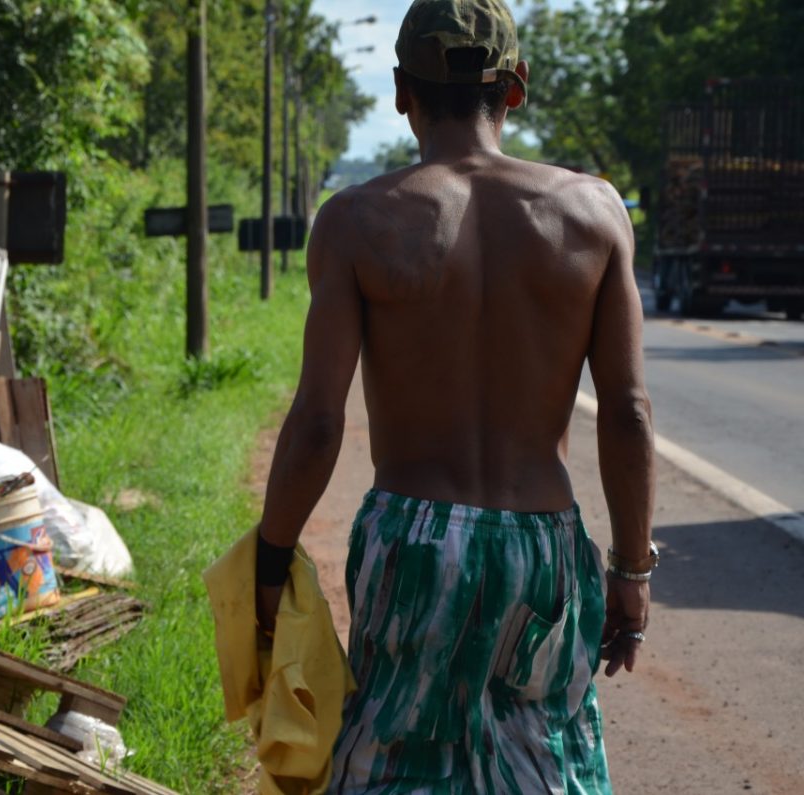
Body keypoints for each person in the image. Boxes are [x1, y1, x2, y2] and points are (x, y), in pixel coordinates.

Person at [252, 0, 656, 792]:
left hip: (414, 541)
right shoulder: (595, 213)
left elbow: (316, 423)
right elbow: (628, 411)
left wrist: (271, 557)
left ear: (402, 91)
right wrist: (632, 569)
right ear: (518, 87)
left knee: (392, 762)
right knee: (543, 759)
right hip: (542, 545)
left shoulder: (357, 221)